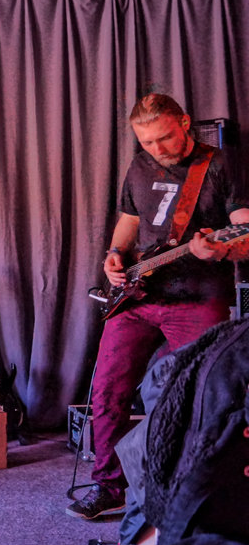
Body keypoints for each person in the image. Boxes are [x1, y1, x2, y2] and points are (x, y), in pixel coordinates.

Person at [67, 93, 249, 520]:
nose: (157, 149)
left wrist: (221, 250)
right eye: (147, 142)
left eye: (164, 137)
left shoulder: (222, 165)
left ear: (185, 122)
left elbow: (244, 231)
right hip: (139, 294)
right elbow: (130, 220)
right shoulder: (139, 166)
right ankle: (108, 486)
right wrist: (114, 254)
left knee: (201, 394)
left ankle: (193, 489)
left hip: (199, 298)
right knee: (107, 389)